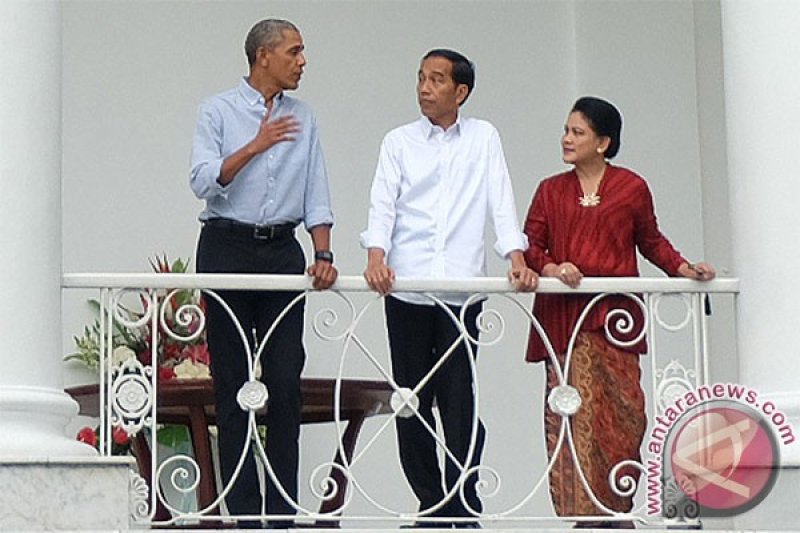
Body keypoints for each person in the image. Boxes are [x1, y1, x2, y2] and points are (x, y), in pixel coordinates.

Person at [361, 49, 538, 528]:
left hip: (461, 291)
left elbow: (500, 198)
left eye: (436, 80)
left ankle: (462, 499)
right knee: (410, 401)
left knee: (460, 400)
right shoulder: (398, 141)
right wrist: (376, 255)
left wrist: (514, 256)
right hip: (407, 288)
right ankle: (430, 503)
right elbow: (384, 202)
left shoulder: (483, 137)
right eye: (420, 77)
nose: (424, 87)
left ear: (460, 92)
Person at [523, 96, 715, 528]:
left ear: (603, 142)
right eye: (566, 130)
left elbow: (651, 241)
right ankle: (584, 519)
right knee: (570, 420)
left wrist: (683, 268)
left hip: (614, 323)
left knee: (626, 417)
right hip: (565, 325)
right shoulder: (550, 189)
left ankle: (616, 512)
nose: (566, 139)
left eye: (578, 133)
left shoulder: (631, 187)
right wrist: (554, 267)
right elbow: (531, 246)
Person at [190, 18, 337, 527]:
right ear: (263, 56)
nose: (302, 61)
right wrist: (256, 144)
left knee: (284, 381)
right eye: (294, 51)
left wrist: (322, 254)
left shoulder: (305, 117)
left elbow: (316, 187)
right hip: (226, 244)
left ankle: (281, 510)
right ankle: (244, 512)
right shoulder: (218, 109)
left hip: (280, 250)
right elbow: (202, 181)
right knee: (232, 382)